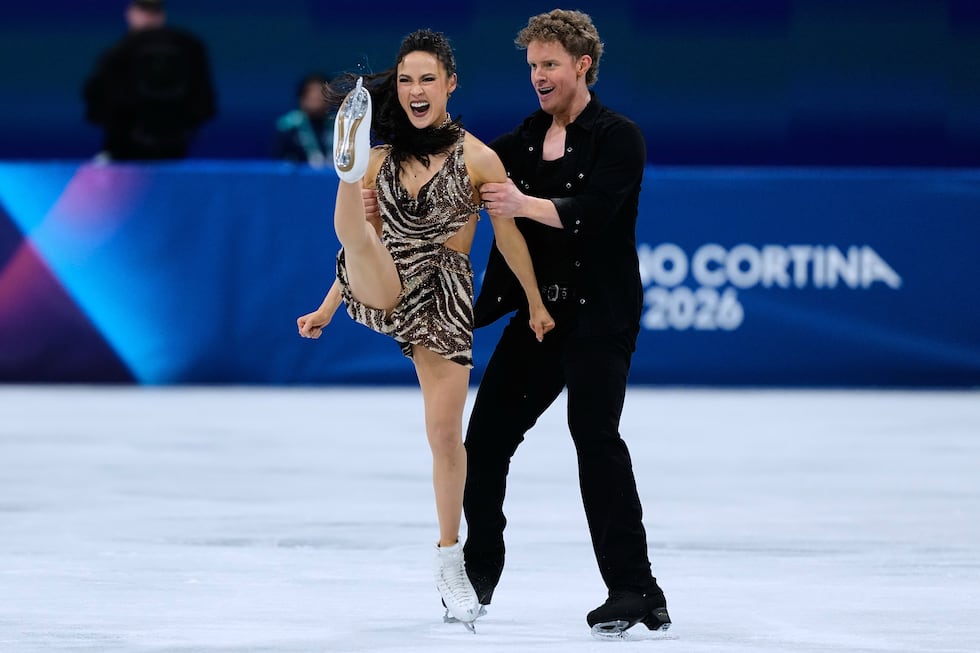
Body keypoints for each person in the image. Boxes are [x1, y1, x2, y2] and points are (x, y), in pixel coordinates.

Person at [295, 29, 554, 629]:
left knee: (444, 436)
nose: (415, 90)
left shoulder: (478, 157)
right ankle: (343, 167)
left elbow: (509, 237)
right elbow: (367, 250)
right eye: (406, 80)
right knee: (358, 231)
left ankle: (448, 558)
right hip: (384, 276)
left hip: (443, 296)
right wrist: (327, 308)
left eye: (427, 79)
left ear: (449, 84)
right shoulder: (381, 162)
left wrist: (536, 303)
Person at [461, 9, 672, 639]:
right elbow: (457, 173)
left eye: (550, 65)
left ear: (582, 65)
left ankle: (636, 588)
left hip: (599, 315)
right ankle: (478, 569)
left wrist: (525, 203)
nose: (538, 77)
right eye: (532, 66)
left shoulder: (618, 137)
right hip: (540, 315)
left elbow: (596, 212)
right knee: (486, 438)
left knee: (594, 435)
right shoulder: (520, 141)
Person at [82, 0, 217, 161]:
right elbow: (205, 103)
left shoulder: (119, 52)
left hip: (131, 147)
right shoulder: (191, 46)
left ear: (130, 13)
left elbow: (96, 101)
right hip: (170, 146)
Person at [273, 73, 334, 167]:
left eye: (320, 94)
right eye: (311, 94)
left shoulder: (339, 125)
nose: (315, 98)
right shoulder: (289, 127)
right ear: (301, 98)